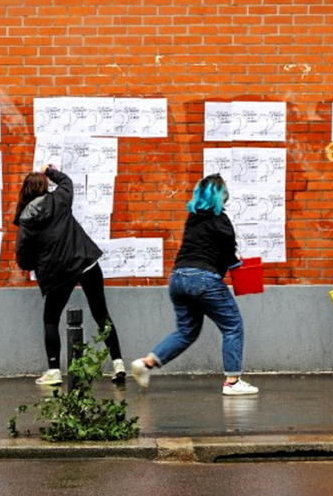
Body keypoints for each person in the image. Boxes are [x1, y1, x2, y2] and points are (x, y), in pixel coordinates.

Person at [129, 173, 258, 396]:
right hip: (203, 279)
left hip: (178, 278)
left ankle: (147, 363)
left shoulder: (193, 217)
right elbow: (229, 257)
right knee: (232, 326)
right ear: (221, 196)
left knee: (187, 331)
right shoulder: (221, 221)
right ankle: (233, 382)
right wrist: (242, 266)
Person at [13, 165, 125, 386]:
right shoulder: (59, 200)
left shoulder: (26, 221)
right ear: (45, 187)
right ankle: (118, 363)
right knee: (101, 313)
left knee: (51, 319)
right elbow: (67, 181)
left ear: (25, 192)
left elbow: (23, 258)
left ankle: (54, 370)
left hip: (58, 274)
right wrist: (49, 170)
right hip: (85, 261)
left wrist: (39, 261)